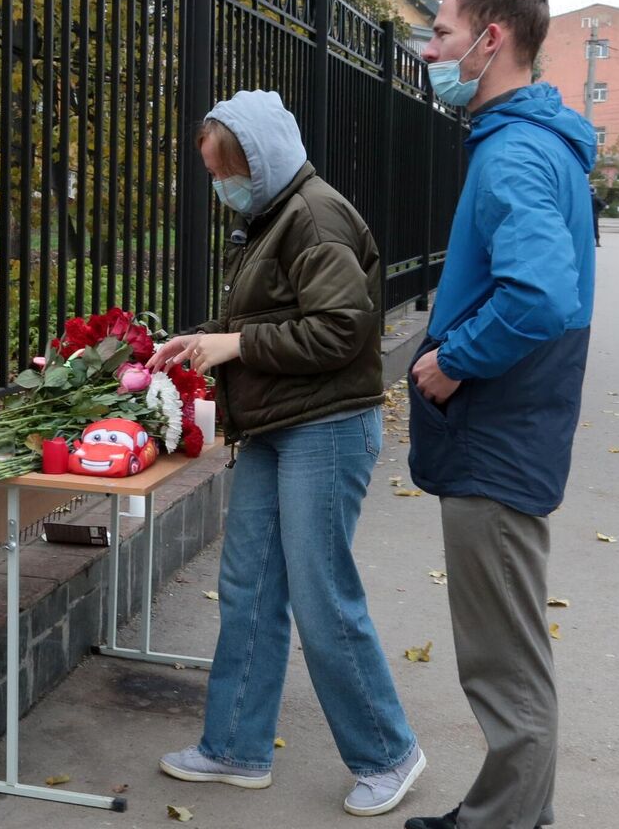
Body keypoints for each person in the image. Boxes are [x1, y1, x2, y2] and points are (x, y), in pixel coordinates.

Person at [149, 89, 426, 818]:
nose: (219, 187)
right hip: (282, 424)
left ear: (258, 161)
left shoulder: (315, 215)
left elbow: (341, 331)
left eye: (224, 171)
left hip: (326, 429)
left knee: (321, 596)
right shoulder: (274, 214)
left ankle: (388, 754)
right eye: (213, 173)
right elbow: (270, 316)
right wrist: (202, 336)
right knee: (250, 587)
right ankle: (235, 748)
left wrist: (233, 344)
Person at [403, 0, 597, 829]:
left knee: (502, 663)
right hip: (513, 426)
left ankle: (503, 825)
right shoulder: (534, 141)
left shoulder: (515, 151)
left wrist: (453, 361)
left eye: (441, 33)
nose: (429, 50)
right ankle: (516, 814)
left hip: (495, 430)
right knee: (510, 653)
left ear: (493, 41)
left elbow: (542, 294)